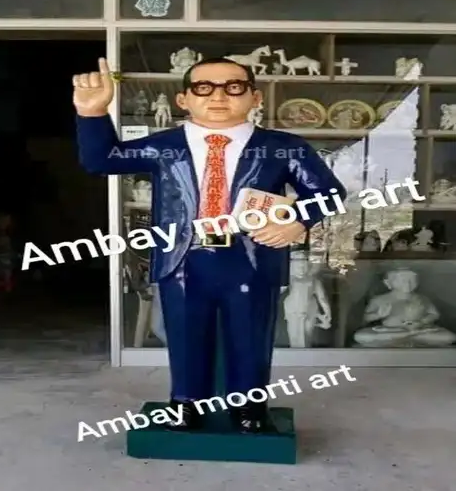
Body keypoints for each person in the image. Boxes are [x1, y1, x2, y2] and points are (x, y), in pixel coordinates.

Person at [73, 57, 346, 433]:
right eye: (204, 88)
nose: (218, 97)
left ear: (255, 97)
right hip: (183, 257)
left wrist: (297, 220)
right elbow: (102, 160)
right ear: (183, 99)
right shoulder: (164, 146)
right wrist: (92, 113)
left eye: (233, 87)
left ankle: (249, 405)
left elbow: (329, 193)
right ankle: (186, 402)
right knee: (185, 334)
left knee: (251, 336)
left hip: (250, 256)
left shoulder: (283, 148)